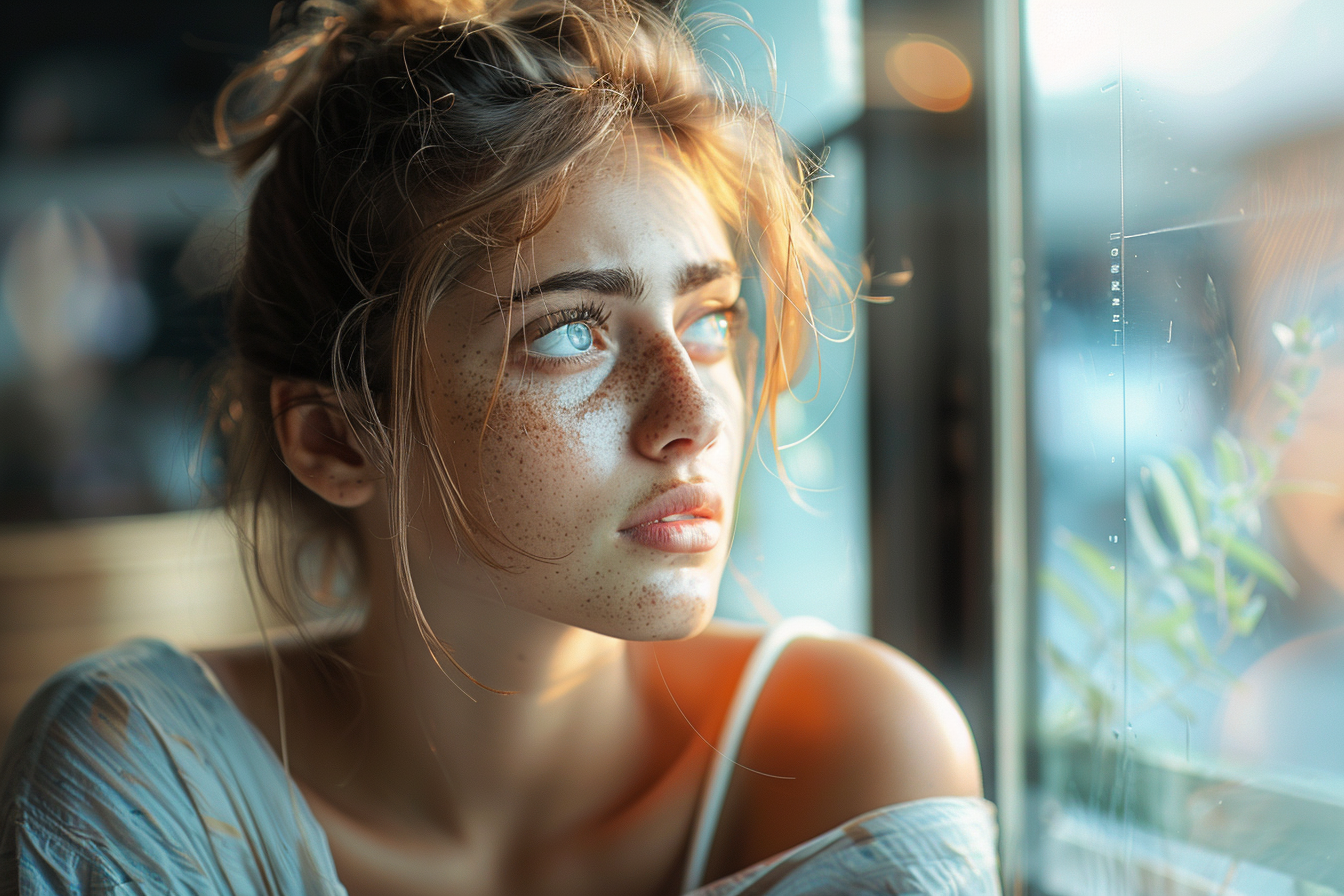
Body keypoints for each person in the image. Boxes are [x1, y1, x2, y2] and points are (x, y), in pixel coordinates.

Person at [0, 1, 1000, 893]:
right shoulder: (145, 778)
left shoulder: (853, 758)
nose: (693, 414)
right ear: (336, 436)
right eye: (570, 332)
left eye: (708, 318)